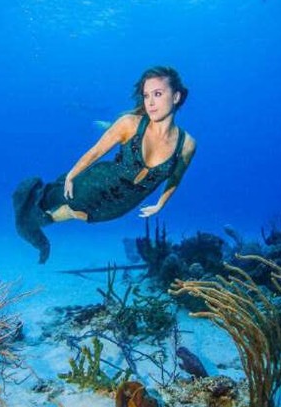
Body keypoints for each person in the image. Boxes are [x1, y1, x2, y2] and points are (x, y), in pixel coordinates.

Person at [12, 66, 197, 263]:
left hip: (122, 204)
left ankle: (32, 226)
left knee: (75, 214)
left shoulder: (187, 144)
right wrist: (72, 174)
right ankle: (28, 204)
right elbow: (96, 151)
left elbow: (175, 177)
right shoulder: (130, 123)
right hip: (97, 181)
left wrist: (160, 204)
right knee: (58, 200)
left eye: (157, 94)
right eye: (146, 95)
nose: (150, 102)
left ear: (176, 97)